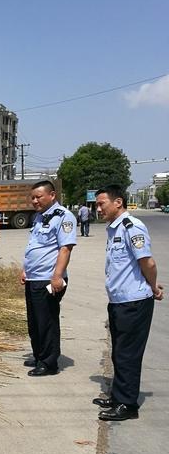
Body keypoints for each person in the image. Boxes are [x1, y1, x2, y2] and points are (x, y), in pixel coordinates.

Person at [93, 184, 163, 421]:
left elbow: (148, 263)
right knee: (119, 352)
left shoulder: (132, 227)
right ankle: (118, 396)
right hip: (119, 301)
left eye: (101, 204)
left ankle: (127, 405)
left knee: (128, 355)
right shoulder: (115, 229)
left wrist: (153, 287)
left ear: (118, 202)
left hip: (134, 302)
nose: (98, 209)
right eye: (97, 205)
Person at [20, 180, 77, 376]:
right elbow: (35, 246)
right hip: (34, 277)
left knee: (47, 321)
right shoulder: (39, 217)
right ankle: (39, 355)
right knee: (34, 321)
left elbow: (65, 248)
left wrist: (57, 276)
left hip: (48, 278)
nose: (35, 201)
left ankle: (49, 362)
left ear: (52, 195)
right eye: (33, 198)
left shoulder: (63, 216)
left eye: (39, 197)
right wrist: (26, 270)